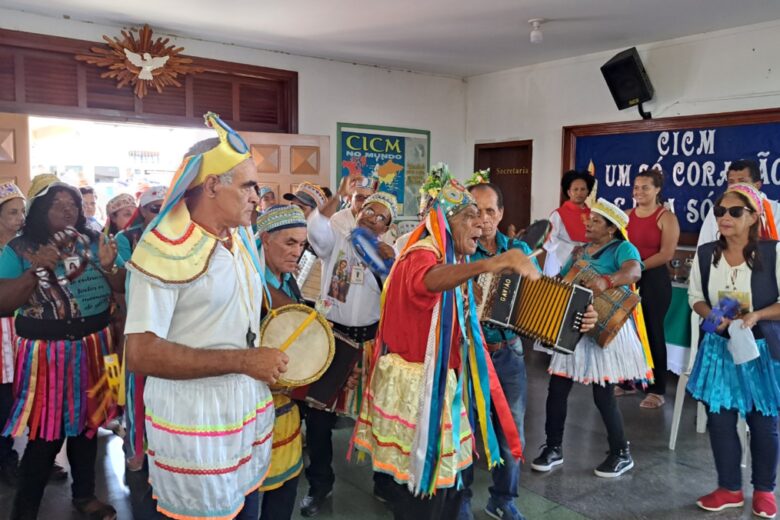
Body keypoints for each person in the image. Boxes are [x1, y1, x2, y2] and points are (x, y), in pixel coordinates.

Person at [123, 112, 287, 519]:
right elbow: (140, 354)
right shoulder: (162, 249)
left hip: (246, 412)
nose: (258, 196)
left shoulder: (244, 238)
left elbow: (245, 314)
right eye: (249, 185)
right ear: (213, 184)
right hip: (194, 424)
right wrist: (244, 361)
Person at [352, 172, 541, 520]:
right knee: (425, 492)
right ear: (445, 220)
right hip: (421, 393)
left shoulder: (447, 254)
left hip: (441, 382)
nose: (481, 226)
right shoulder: (424, 253)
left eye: (485, 216)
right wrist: (494, 262)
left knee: (443, 484)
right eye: (470, 216)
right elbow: (429, 281)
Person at [0, 174, 123, 519]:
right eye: (58, 204)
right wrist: (35, 270)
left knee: (89, 425)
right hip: (47, 354)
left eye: (74, 204)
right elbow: (2, 301)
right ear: (40, 209)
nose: (69, 209)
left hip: (97, 348)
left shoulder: (94, 239)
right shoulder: (20, 249)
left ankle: (84, 496)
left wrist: (112, 266)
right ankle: (24, 511)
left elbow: (121, 286)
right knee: (46, 436)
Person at [298, 181, 397, 518]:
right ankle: (319, 486)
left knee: (379, 417)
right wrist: (336, 197)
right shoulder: (337, 240)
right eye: (369, 209)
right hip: (333, 338)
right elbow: (315, 225)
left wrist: (391, 263)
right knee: (320, 417)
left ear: (387, 227)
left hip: (372, 341)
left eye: (381, 216)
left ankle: (384, 483)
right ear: (358, 210)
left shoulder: (390, 252)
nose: (372, 218)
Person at [532, 198, 651, 479]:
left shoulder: (623, 247)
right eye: (590, 218)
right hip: (574, 326)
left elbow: (635, 270)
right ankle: (553, 447)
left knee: (603, 394)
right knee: (557, 388)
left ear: (611, 229)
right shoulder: (579, 251)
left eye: (596, 221)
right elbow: (562, 281)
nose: (588, 223)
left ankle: (621, 453)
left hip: (605, 327)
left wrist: (606, 281)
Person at [687, 183, 780, 518]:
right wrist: (713, 316)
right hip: (719, 347)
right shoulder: (705, 253)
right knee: (720, 419)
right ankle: (729, 488)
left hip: (760, 349)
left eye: (734, 212)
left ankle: (765, 491)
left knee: (764, 420)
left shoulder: (773, 252)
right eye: (720, 212)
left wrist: (757, 315)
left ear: (753, 217)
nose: (724, 217)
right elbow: (694, 296)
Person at [459, 178, 540, 520]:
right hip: (467, 353)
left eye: (490, 210)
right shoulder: (460, 251)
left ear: (501, 213)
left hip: (509, 352)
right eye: (476, 211)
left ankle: (503, 499)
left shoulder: (518, 252)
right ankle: (459, 502)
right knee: (465, 430)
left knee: (511, 430)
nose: (484, 218)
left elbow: (541, 298)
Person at [255, 204, 308, 520]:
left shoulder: (288, 282)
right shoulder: (248, 285)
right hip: (252, 412)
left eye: (301, 244)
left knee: (284, 493)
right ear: (264, 239)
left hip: (286, 411)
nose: (297, 252)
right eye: (290, 242)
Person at [625, 168, 680, 408]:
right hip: (629, 279)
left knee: (652, 331)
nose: (639, 192)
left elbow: (666, 253)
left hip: (654, 279)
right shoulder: (626, 215)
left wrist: (639, 267)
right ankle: (628, 380)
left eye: (645, 187)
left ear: (657, 190)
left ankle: (657, 388)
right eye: (636, 187)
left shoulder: (666, 217)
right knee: (627, 331)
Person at [0, 182, 25, 486]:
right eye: (12, 212)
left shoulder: (25, 248)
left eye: (22, 211)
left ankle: (32, 456)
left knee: (22, 395)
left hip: (22, 333)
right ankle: (6, 458)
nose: (19, 217)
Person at [698, 159, 780, 246]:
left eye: (742, 182)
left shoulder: (777, 210)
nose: (736, 187)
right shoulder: (717, 210)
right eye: (731, 182)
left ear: (757, 185)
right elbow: (704, 246)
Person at [543, 170, 594, 276]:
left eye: (583, 189)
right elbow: (549, 241)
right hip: (560, 263)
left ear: (588, 191)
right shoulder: (558, 214)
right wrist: (571, 249)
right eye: (575, 189)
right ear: (569, 191)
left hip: (588, 264)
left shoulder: (594, 215)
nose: (579, 193)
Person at [115, 185, 166, 267]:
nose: (163, 214)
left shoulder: (180, 235)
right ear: (143, 211)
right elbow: (124, 275)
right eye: (157, 208)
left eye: (169, 209)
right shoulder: (125, 238)